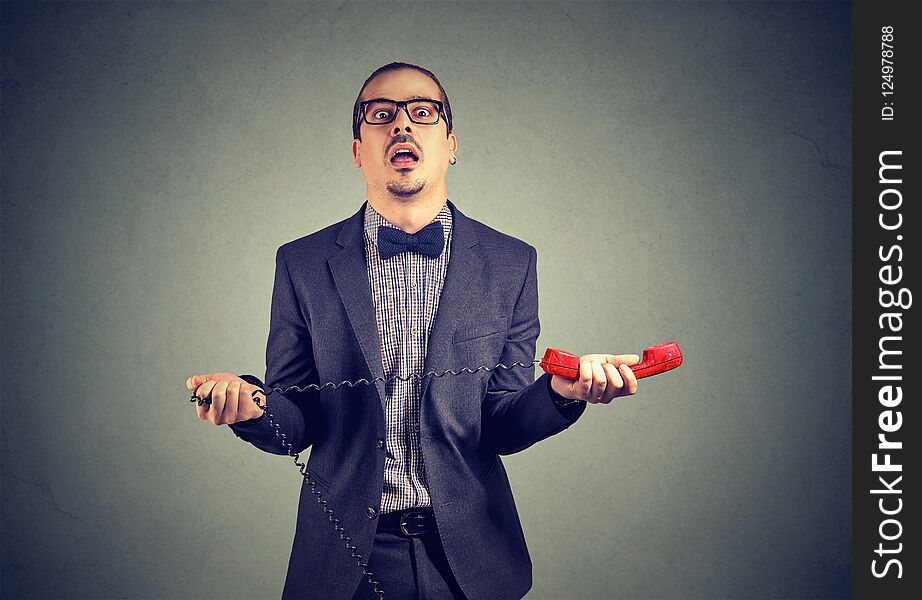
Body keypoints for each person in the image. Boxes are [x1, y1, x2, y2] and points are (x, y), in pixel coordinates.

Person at [186, 62, 641, 600]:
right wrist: (252, 406)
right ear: (358, 149)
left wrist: (560, 395)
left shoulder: (511, 262)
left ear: (451, 144)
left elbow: (501, 424)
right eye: (381, 115)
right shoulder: (301, 263)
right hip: (347, 562)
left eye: (422, 112)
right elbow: (298, 415)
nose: (402, 125)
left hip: (469, 561)